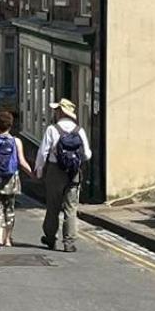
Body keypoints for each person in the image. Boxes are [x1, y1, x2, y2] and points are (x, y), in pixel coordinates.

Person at [34, 97, 92, 253]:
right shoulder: (79, 130)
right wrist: (75, 160)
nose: (54, 113)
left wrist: (39, 169)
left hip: (55, 171)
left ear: (60, 112)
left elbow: (43, 152)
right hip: (73, 172)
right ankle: (69, 242)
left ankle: (51, 238)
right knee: (71, 208)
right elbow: (87, 154)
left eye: (56, 110)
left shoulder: (52, 129)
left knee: (52, 206)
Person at [0, 110, 33, 248]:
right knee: (9, 208)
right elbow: (21, 161)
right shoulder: (16, 141)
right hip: (11, 179)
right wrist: (32, 174)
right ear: (11, 125)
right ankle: (8, 239)